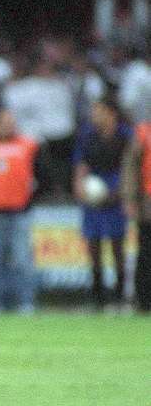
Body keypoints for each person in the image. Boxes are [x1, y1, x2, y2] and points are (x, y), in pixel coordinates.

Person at [0, 109, 43, 314]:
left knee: (22, 258)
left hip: (19, 211)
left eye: (11, 122)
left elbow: (41, 174)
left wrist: (32, 197)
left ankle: (26, 303)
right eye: (4, 122)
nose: (8, 126)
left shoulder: (28, 145)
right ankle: (1, 303)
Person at [73, 98, 132, 309]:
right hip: (94, 187)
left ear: (111, 113)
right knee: (94, 243)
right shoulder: (87, 134)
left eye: (98, 110)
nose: (94, 115)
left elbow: (130, 164)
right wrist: (79, 184)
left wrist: (123, 192)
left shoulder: (125, 135)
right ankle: (97, 295)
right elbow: (81, 162)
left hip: (117, 185)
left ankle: (119, 295)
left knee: (117, 244)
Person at [121, 120, 151, 312]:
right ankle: (145, 300)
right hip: (148, 203)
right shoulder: (143, 133)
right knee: (146, 253)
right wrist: (130, 199)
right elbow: (131, 168)